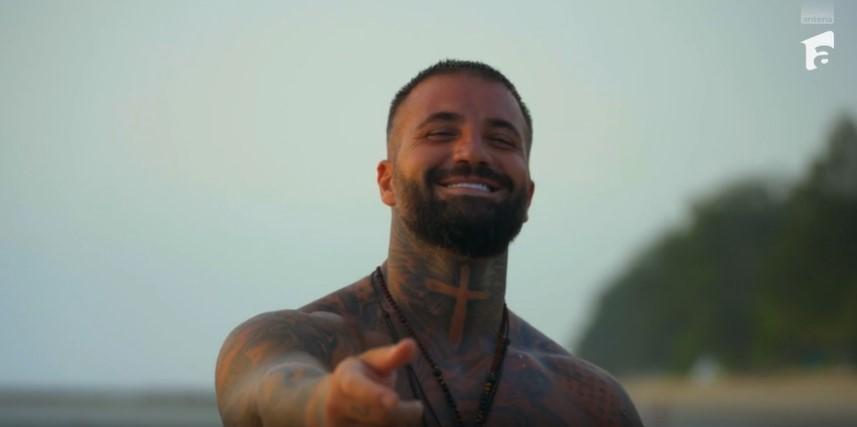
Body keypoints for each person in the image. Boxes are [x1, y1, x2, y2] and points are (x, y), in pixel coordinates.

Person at [215, 59, 643, 427]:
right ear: (387, 182)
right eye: (439, 133)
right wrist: (322, 403)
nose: (472, 153)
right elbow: (267, 386)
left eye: (501, 140)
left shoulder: (591, 402)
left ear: (528, 196)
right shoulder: (300, 340)